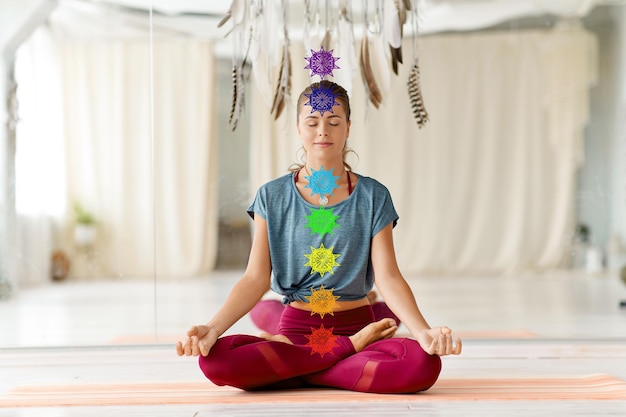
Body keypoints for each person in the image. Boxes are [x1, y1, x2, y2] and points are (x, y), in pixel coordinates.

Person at [176, 80, 462, 394]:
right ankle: (346, 352)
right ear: (299, 129)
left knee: (423, 364)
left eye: (334, 122)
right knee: (215, 361)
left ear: (348, 128)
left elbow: (389, 277)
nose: (322, 131)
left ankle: (296, 368)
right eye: (312, 122)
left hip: (355, 321)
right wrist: (212, 328)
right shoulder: (271, 196)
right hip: (299, 329)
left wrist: (423, 332)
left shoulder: (373, 195)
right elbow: (255, 278)